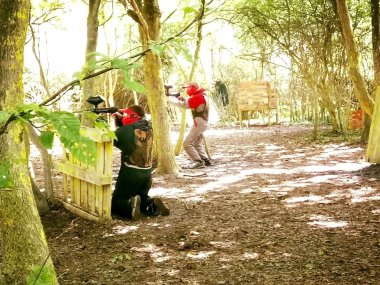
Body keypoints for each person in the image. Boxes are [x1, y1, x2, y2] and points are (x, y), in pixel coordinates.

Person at [111, 105, 170, 220]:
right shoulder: (149, 128)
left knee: (117, 202)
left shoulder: (125, 131)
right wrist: (122, 121)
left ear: (132, 116)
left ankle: (129, 209)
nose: (123, 117)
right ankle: (151, 204)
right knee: (142, 196)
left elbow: (112, 139)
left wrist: (117, 122)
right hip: (147, 173)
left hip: (130, 172)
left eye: (125, 115)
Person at [168, 82, 213, 169]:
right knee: (196, 143)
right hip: (202, 122)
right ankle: (206, 160)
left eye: (188, 88)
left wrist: (169, 98)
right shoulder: (202, 95)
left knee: (187, 144)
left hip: (200, 123)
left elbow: (184, 105)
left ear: (193, 87)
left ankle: (197, 162)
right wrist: (182, 98)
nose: (187, 90)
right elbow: (191, 102)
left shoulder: (198, 96)